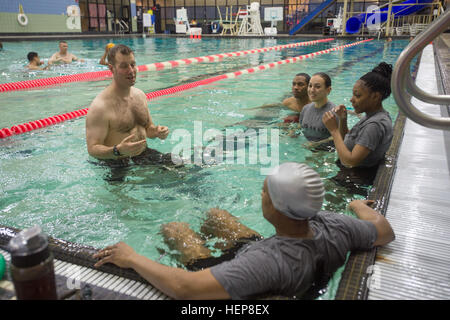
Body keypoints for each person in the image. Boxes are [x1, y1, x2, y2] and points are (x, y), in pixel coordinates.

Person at [93, 162, 395, 300]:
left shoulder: (267, 261)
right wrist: (357, 204)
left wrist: (132, 257)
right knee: (216, 216)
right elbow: (383, 231)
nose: (260, 195)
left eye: (264, 193)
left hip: (257, 270)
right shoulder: (332, 223)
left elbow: (186, 289)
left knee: (174, 229)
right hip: (278, 251)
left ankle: (184, 248)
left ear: (276, 208)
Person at [85, 44, 170, 166]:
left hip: (143, 155)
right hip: (116, 165)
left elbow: (148, 129)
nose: (131, 70)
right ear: (111, 68)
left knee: (186, 172)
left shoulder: (140, 96)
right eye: (124, 66)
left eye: (133, 64)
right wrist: (117, 150)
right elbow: (92, 148)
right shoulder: (100, 107)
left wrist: (157, 132)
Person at [322, 62, 393, 186]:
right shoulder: (373, 116)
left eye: (357, 95)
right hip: (349, 177)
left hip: (354, 182)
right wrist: (342, 120)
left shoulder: (374, 125)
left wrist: (333, 131)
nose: (351, 99)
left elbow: (350, 162)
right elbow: (349, 142)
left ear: (376, 96)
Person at [299, 72, 341, 147]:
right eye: (310, 86)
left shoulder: (334, 113)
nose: (312, 90)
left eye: (317, 87)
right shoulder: (305, 109)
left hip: (326, 153)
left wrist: (317, 144)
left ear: (328, 90)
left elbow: (340, 136)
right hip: (307, 148)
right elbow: (301, 127)